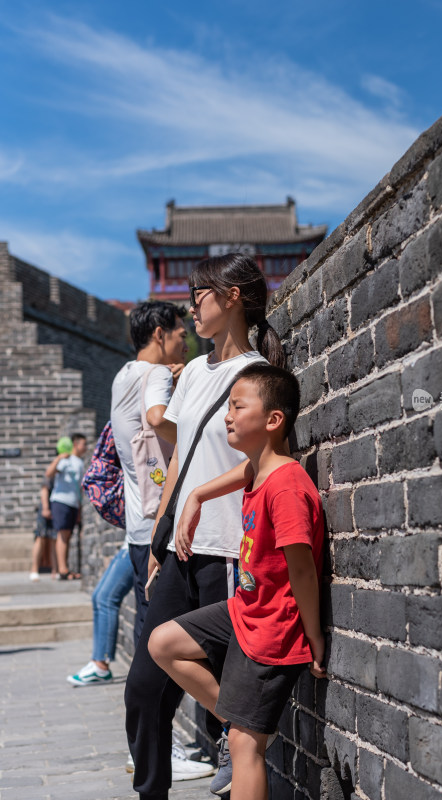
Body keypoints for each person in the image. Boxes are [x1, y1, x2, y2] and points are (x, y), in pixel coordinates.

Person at [124, 254, 285, 800]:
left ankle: (237, 740)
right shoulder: (192, 371)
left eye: (200, 293)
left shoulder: (260, 376)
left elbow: (265, 464)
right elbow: (180, 459)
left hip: (229, 552)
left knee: (227, 705)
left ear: (233, 296)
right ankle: (152, 790)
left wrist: (198, 497)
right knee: (145, 687)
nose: (191, 305)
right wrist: (158, 538)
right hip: (179, 549)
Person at [149, 363, 326, 800]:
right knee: (163, 643)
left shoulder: (285, 486)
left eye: (236, 406)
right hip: (245, 609)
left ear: (273, 420)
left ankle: (242, 725)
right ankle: (236, 716)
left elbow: (302, 568)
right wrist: (195, 494)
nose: (227, 416)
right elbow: (246, 475)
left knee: (247, 747)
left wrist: (314, 635)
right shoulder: (260, 470)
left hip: (273, 627)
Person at [67, 300, 188, 688]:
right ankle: (152, 746)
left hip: (137, 527)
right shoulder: (156, 375)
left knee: (145, 628)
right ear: (159, 334)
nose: (187, 344)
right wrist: (194, 438)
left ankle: (146, 745)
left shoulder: (123, 376)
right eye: (181, 335)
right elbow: (155, 418)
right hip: (161, 528)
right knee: (162, 638)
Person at [46, 433, 87, 580]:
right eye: (83, 444)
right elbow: (49, 473)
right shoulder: (66, 460)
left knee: (67, 536)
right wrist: (59, 458)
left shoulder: (80, 462)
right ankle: (62, 570)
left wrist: (80, 508)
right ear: (75, 444)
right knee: (62, 535)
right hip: (61, 501)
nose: (86, 447)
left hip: (73, 503)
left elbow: (80, 487)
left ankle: (65, 568)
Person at [29, 476, 57, 581]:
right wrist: (45, 508)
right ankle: (34, 569)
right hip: (46, 508)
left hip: (56, 507)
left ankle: (55, 570)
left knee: (55, 538)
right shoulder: (52, 470)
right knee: (41, 537)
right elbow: (44, 489)